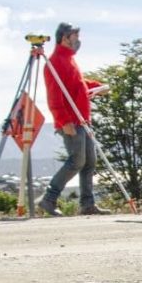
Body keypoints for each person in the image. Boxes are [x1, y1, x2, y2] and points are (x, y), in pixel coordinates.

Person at [40, 21, 110, 216]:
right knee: (76, 161)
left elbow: (77, 85)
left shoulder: (69, 59)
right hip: (72, 121)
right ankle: (49, 199)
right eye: (75, 37)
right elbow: (54, 96)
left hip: (83, 120)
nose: (78, 41)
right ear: (65, 38)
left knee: (89, 162)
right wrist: (64, 121)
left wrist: (98, 86)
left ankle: (88, 204)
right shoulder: (55, 62)